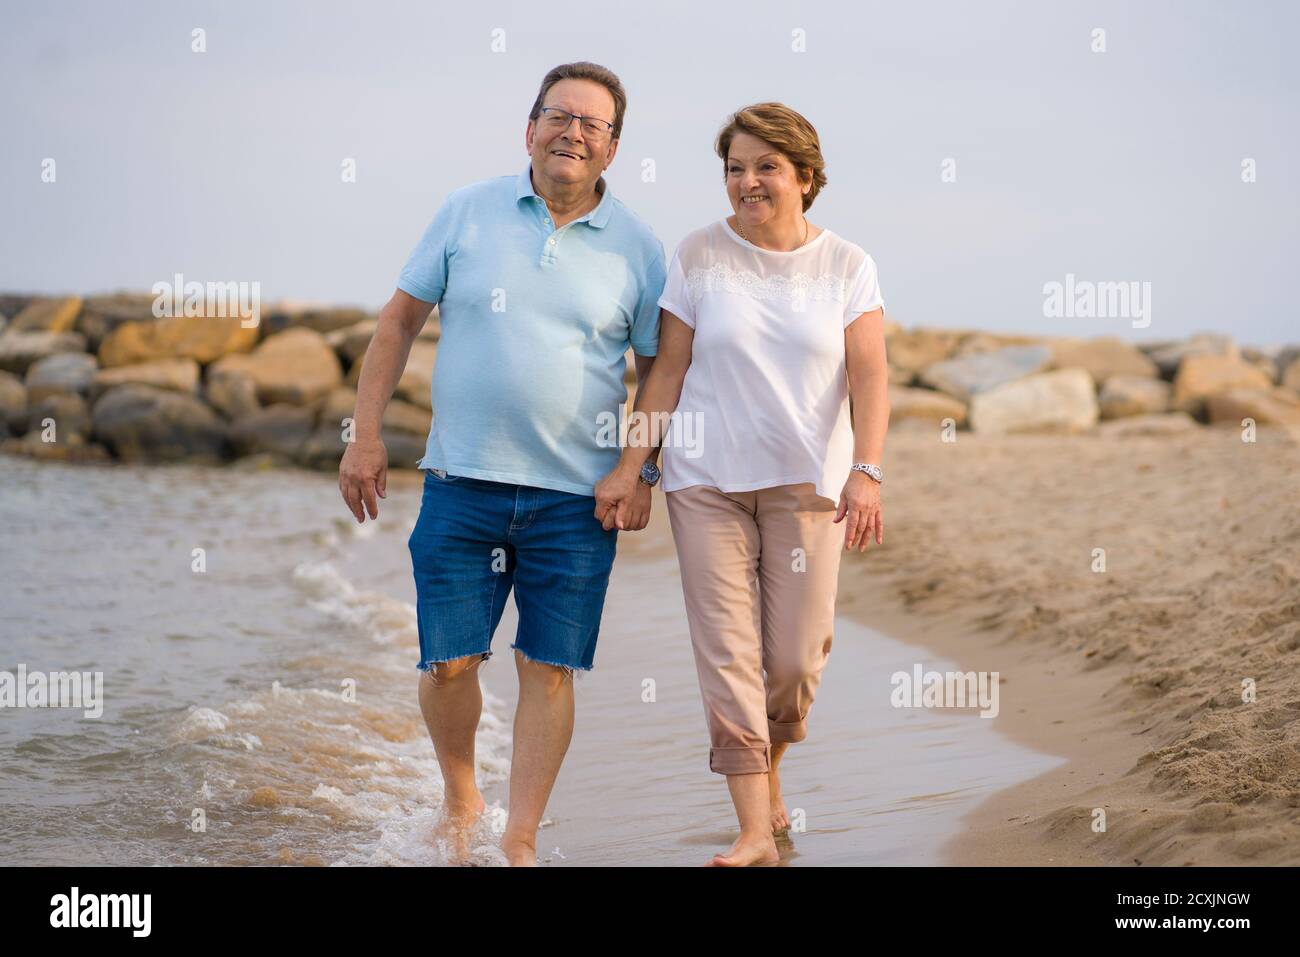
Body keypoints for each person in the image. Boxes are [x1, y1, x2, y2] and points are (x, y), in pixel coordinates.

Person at [338, 61, 666, 866]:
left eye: (593, 125)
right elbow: (397, 323)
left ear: (614, 148)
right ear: (530, 128)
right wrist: (365, 435)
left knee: (548, 669)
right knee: (448, 663)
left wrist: (640, 468)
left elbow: (661, 369)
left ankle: (517, 838)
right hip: (461, 482)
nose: (574, 133)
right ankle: (461, 797)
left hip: (575, 499)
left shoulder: (640, 249)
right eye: (560, 116)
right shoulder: (467, 212)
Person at [594, 102, 890, 866]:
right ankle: (754, 826)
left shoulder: (848, 265)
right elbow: (666, 371)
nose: (747, 182)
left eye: (766, 167)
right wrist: (634, 468)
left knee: (793, 663)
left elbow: (871, 376)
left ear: (806, 177)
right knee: (728, 655)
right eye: (735, 168)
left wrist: (868, 471)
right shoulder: (698, 255)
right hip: (707, 484)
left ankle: (771, 774)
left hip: (808, 485)